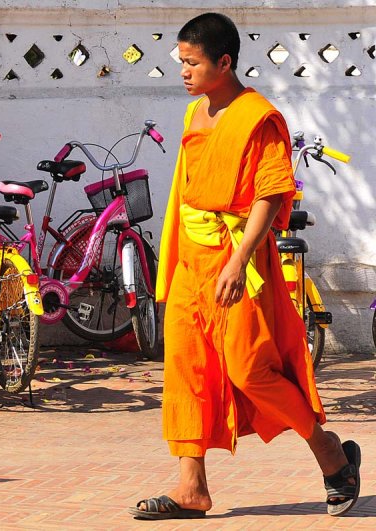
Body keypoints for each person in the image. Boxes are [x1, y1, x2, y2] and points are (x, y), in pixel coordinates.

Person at [129, 12, 361, 520]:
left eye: (192, 63)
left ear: (225, 61)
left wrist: (238, 260)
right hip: (192, 258)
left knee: (251, 368)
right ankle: (191, 488)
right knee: (186, 370)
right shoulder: (196, 114)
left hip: (238, 262)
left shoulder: (258, 116)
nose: (183, 72)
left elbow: (272, 192)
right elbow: (187, 191)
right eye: (182, 62)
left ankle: (331, 456)